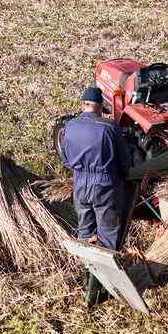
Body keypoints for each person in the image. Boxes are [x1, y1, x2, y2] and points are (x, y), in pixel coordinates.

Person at [60, 86, 133, 251]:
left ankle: (87, 265)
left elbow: (66, 159)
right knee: (107, 234)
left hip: (80, 184)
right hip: (104, 185)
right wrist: (124, 177)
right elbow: (124, 161)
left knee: (85, 232)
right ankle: (103, 266)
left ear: (83, 104)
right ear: (100, 106)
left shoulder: (69, 126)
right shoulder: (110, 127)